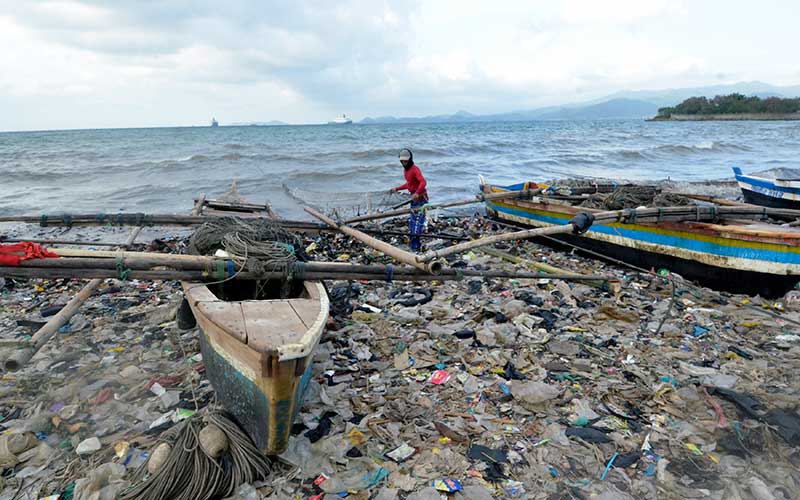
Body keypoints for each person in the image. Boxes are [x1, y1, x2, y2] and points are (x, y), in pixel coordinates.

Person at [390, 148, 428, 251]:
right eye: (402, 161)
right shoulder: (406, 171)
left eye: (406, 161)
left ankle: (416, 247)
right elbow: (409, 184)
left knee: (417, 223)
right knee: (412, 222)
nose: (404, 163)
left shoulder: (415, 169)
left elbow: (423, 182)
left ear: (410, 159)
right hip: (413, 199)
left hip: (421, 199)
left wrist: (417, 193)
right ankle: (413, 245)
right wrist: (397, 188)